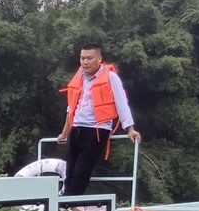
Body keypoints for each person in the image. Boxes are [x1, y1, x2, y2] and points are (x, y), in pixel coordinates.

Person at [56, 43, 141, 196]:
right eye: (82, 58)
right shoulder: (79, 77)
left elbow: (121, 103)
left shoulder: (110, 77)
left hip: (96, 131)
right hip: (76, 129)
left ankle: (69, 203)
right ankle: (65, 203)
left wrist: (130, 129)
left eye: (89, 58)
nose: (85, 62)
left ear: (99, 59)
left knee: (80, 172)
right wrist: (64, 133)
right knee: (69, 172)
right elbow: (71, 108)